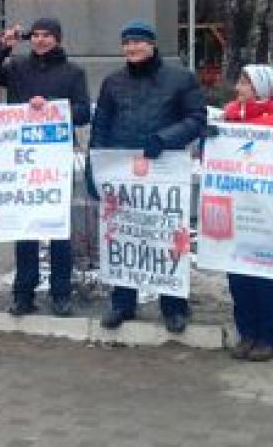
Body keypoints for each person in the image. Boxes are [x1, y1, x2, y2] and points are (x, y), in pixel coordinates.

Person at [90, 19, 206, 333]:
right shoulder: (113, 82)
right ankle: (122, 303)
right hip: (122, 171)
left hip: (164, 169)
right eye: (127, 42)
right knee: (123, 235)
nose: (132, 47)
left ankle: (174, 307)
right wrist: (94, 169)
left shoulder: (180, 78)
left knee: (166, 237)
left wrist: (165, 139)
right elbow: (101, 126)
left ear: (152, 44)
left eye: (138, 42)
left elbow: (197, 119)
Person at [0, 18, 91, 317]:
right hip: (22, 157)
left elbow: (83, 112)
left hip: (55, 160)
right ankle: (23, 294)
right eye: (37, 35)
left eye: (47, 35)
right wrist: (3, 47)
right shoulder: (17, 67)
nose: (41, 40)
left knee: (58, 229)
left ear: (58, 39)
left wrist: (51, 106)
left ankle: (61, 294)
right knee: (24, 227)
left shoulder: (73, 72)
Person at [222, 65, 273, 362]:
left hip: (268, 208)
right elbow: (215, 159)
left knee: (266, 273)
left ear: (260, 89)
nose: (238, 88)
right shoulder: (228, 119)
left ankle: (270, 335)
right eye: (239, 82)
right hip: (237, 205)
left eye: (244, 83)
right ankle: (247, 332)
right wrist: (209, 139)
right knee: (238, 274)